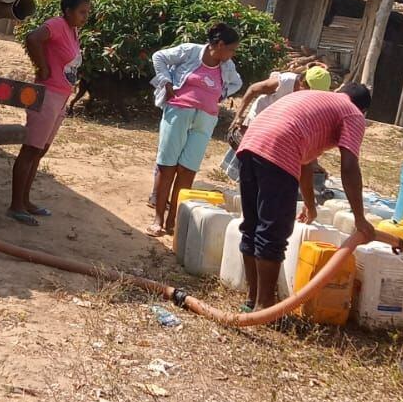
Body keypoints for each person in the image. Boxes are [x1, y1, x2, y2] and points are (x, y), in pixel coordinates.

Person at [234, 83, 377, 312]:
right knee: (273, 231)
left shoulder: (316, 98)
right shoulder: (352, 113)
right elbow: (349, 166)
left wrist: (311, 206)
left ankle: (253, 300)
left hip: (251, 142)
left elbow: (306, 164)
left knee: (253, 225)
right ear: (364, 111)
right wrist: (360, 218)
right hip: (279, 146)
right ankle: (265, 306)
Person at [145, 25, 244, 236]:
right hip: (179, 111)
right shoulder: (190, 51)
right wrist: (166, 82)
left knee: (188, 170)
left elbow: (237, 82)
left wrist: (221, 94)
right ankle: (159, 219)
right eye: (231, 49)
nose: (232, 54)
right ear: (219, 45)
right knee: (167, 165)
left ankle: (174, 221)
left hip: (206, 119)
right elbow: (159, 57)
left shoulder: (227, 66)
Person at [10, 0, 93, 226]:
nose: (85, 17)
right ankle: (15, 205)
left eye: (87, 12)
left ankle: (25, 201)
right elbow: (33, 37)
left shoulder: (72, 31)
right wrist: (42, 68)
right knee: (30, 149)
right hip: (47, 95)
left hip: (61, 98)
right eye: (82, 12)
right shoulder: (57, 24)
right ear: (67, 11)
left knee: (40, 150)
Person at [222, 65, 333, 182]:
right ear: (302, 82)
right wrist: (238, 116)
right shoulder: (285, 82)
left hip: (278, 126)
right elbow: (253, 89)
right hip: (261, 117)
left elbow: (308, 136)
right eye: (310, 90)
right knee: (250, 155)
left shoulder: (312, 100)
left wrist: (313, 163)